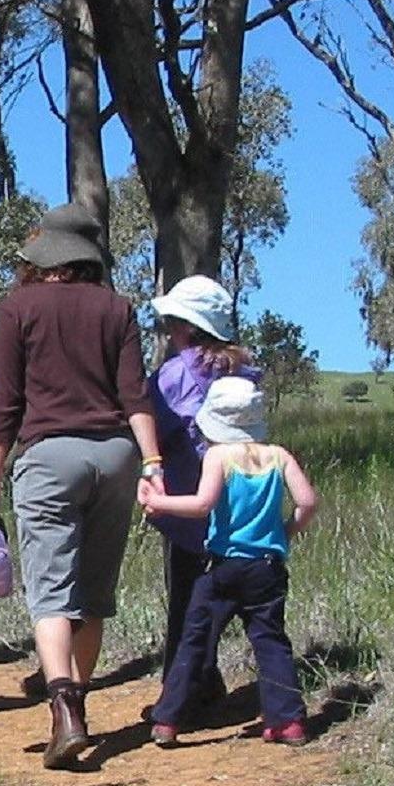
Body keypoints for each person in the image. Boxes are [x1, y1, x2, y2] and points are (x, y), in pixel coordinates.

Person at [0, 203, 161, 769]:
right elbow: (134, 396)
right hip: (117, 456)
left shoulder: (18, 308)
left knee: (51, 592)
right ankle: (82, 703)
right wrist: (152, 462)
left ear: (44, 254)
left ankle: (64, 711)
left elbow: (7, 404)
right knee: (93, 597)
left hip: (48, 458)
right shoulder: (117, 309)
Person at [139, 376, 319, 746]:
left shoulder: (219, 456)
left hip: (223, 566)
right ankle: (288, 720)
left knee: (195, 637)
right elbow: (308, 502)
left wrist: (160, 504)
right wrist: (285, 532)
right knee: (270, 641)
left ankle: (168, 718)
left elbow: (203, 504)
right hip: (267, 568)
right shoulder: (279, 456)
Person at [148, 275, 260, 696]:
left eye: (173, 322)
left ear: (189, 326)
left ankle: (181, 687)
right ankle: (206, 675)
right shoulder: (244, 369)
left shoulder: (173, 376)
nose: (169, 330)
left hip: (188, 508)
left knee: (186, 597)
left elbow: (152, 429)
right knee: (227, 597)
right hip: (239, 505)